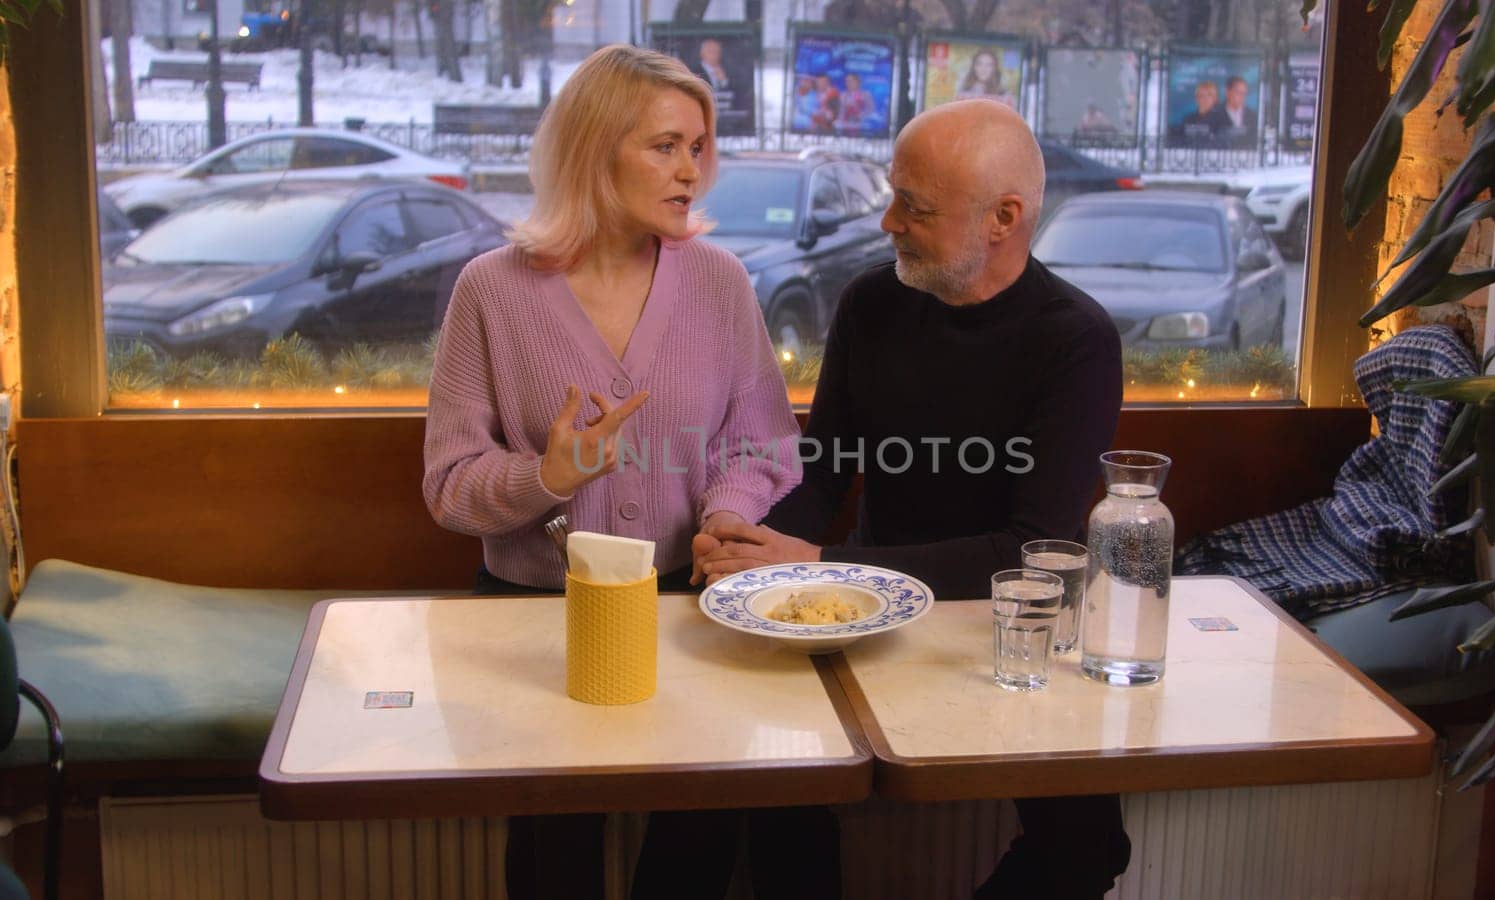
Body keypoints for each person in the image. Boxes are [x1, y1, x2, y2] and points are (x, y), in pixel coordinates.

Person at [693, 99, 1131, 899]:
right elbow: (820, 471)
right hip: (865, 613)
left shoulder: (1077, 340)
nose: (887, 220)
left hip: (1012, 629)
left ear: (1004, 218)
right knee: (777, 791)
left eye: (914, 206)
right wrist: (749, 545)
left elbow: (1028, 550)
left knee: (1089, 844)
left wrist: (822, 564)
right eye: (893, 194)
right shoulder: (871, 303)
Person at [422, 44, 811, 899]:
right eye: (665, 146)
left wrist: (725, 514)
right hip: (538, 622)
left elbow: (758, 441)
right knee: (553, 859)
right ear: (597, 151)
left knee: (698, 849)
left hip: (690, 610)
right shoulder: (491, 292)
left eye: (699, 147)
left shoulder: (719, 281)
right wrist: (548, 478)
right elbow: (450, 485)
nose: (691, 172)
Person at [1173, 79, 1220, 147]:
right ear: (1196, 99)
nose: (1205, 99)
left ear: (1215, 99)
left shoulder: (1222, 119)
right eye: (1202, 96)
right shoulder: (1188, 119)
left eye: (1209, 95)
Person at [1217, 75, 1258, 148]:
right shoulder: (1215, 113)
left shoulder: (1253, 116)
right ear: (1227, 92)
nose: (1242, 97)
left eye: (1244, 93)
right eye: (1238, 92)